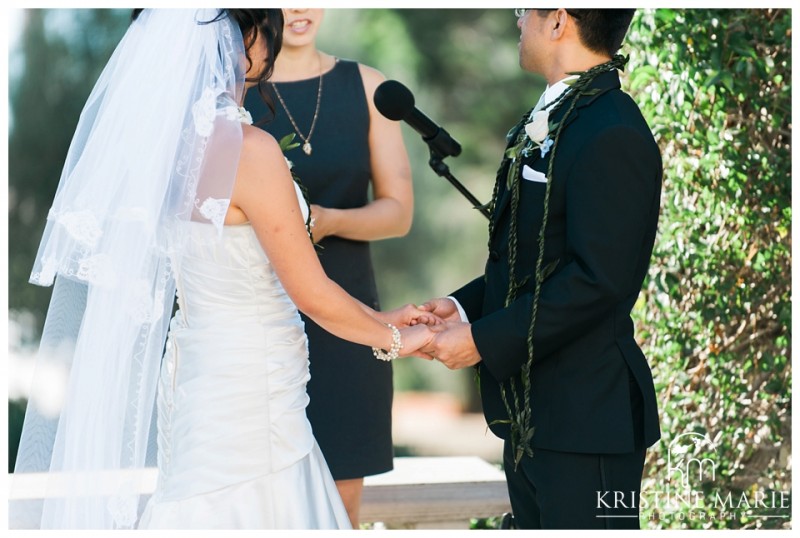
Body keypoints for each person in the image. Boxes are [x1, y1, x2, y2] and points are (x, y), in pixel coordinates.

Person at [10, 9, 437, 530]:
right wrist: (396, 338)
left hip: (197, 373)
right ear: (245, 42)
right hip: (251, 387)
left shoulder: (167, 148)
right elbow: (311, 293)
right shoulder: (249, 151)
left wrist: (385, 316)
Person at [420, 9, 663, 529]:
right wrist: (466, 306)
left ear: (557, 22)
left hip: (588, 425)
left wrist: (483, 340)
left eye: (521, 10)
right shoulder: (564, 115)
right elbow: (535, 261)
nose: (516, 20)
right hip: (534, 417)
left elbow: (598, 281)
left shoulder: (613, 131)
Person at [243, 8, 413, 527]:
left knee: (341, 509)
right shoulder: (237, 90)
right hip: (257, 320)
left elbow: (398, 211)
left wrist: (326, 221)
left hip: (349, 317)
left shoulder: (367, 87)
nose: (298, 10)